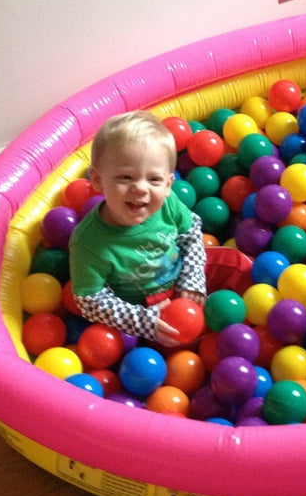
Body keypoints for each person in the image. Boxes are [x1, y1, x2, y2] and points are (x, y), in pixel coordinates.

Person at [69, 110, 207, 347]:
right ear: (98, 180)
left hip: (184, 285)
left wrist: (193, 278)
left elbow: (190, 232)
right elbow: (89, 300)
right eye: (125, 177)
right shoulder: (88, 242)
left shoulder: (168, 202)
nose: (141, 188)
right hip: (139, 314)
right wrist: (144, 321)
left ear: (168, 184)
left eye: (154, 179)